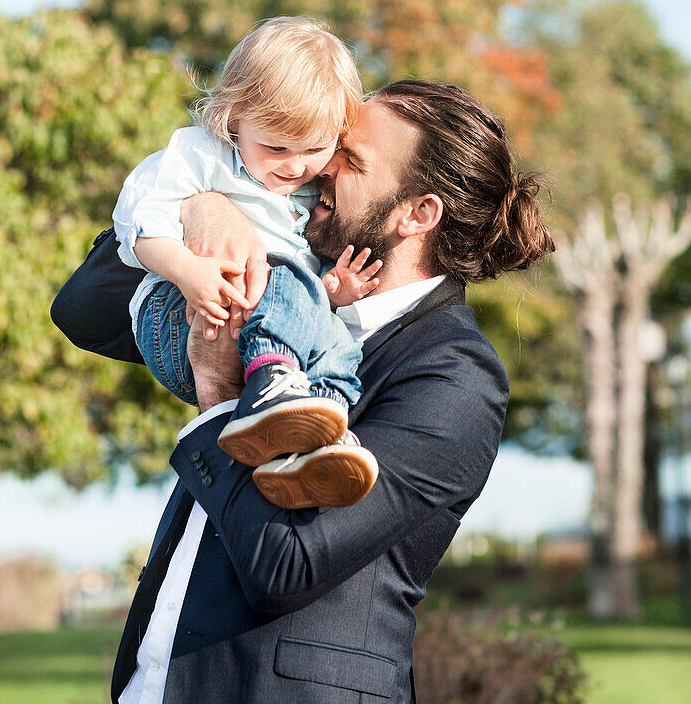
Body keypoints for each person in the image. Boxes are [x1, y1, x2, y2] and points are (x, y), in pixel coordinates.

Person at [51, 79, 555, 703]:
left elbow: (288, 564)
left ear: (417, 214)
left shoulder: (453, 378)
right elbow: (83, 311)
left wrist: (218, 397)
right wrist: (203, 206)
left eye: (352, 158)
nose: (319, 165)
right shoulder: (283, 280)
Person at [113, 16, 382, 507]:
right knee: (283, 273)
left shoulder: (316, 190)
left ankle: (313, 436)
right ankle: (275, 387)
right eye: (276, 147)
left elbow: (291, 295)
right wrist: (186, 271)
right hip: (182, 314)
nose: (295, 165)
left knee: (341, 343)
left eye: (314, 149)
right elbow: (138, 225)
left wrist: (329, 293)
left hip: (259, 333)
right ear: (234, 118)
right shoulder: (200, 155)